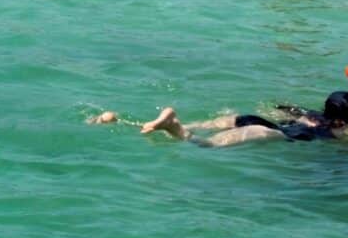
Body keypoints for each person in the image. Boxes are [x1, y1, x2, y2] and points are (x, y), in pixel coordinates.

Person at [110, 91, 348, 147]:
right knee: (207, 145)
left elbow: (281, 107)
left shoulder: (311, 116)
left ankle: (119, 121)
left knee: (202, 126)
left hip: (252, 119)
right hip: (271, 133)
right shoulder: (340, 131)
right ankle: (173, 127)